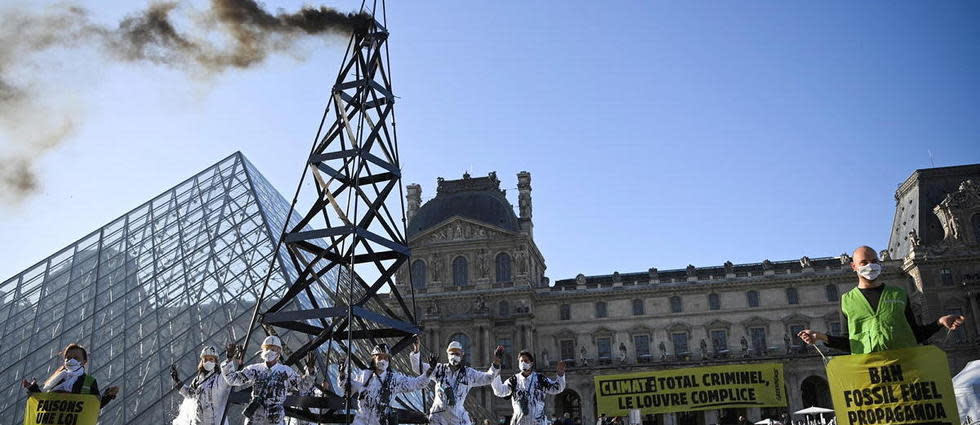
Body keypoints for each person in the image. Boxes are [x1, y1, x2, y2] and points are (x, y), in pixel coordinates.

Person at [798, 246, 966, 354]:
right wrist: (820, 337)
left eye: (874, 261)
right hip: (872, 371)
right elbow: (850, 343)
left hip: (905, 365)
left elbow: (913, 335)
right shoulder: (847, 301)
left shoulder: (898, 294)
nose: (870, 266)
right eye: (864, 262)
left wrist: (939, 322)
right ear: (854, 267)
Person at [221, 336, 315, 425]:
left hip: (275, 417)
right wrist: (229, 360)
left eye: (273, 349)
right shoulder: (256, 369)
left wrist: (310, 372)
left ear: (279, 352)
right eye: (267, 348)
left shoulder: (286, 371)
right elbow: (233, 379)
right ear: (262, 350)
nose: (269, 351)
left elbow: (303, 387)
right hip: (256, 415)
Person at [411, 338, 503, 425]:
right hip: (438, 417)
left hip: (457, 418)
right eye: (452, 353)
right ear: (447, 354)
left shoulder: (468, 374)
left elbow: (488, 378)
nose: (454, 356)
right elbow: (417, 367)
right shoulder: (438, 369)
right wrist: (416, 349)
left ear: (462, 355)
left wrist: (496, 362)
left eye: (457, 354)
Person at [342, 343, 437, 425]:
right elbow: (348, 389)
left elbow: (416, 383)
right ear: (374, 358)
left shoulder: (394, 379)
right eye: (380, 357)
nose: (383, 360)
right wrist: (342, 373)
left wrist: (430, 370)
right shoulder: (364, 376)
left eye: (386, 358)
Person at [22, 343, 119, 408]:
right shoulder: (56, 379)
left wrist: (108, 395)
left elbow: (95, 405)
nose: (71, 360)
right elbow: (43, 402)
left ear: (84, 361)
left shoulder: (89, 382)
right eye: (68, 358)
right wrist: (33, 388)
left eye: (76, 358)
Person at [491, 351, 566, 425]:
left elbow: (557, 388)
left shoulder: (540, 379)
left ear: (531, 363)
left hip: (538, 422)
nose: (523, 363)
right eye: (521, 361)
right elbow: (499, 391)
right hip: (519, 422)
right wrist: (496, 366)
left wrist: (560, 375)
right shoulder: (514, 380)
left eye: (526, 361)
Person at [171, 345, 233, 425]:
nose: (208, 362)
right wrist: (177, 381)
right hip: (199, 422)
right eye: (205, 359)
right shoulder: (197, 380)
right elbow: (190, 394)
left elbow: (230, 376)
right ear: (202, 361)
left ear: (215, 361)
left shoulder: (221, 377)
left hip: (218, 421)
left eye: (211, 359)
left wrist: (229, 359)